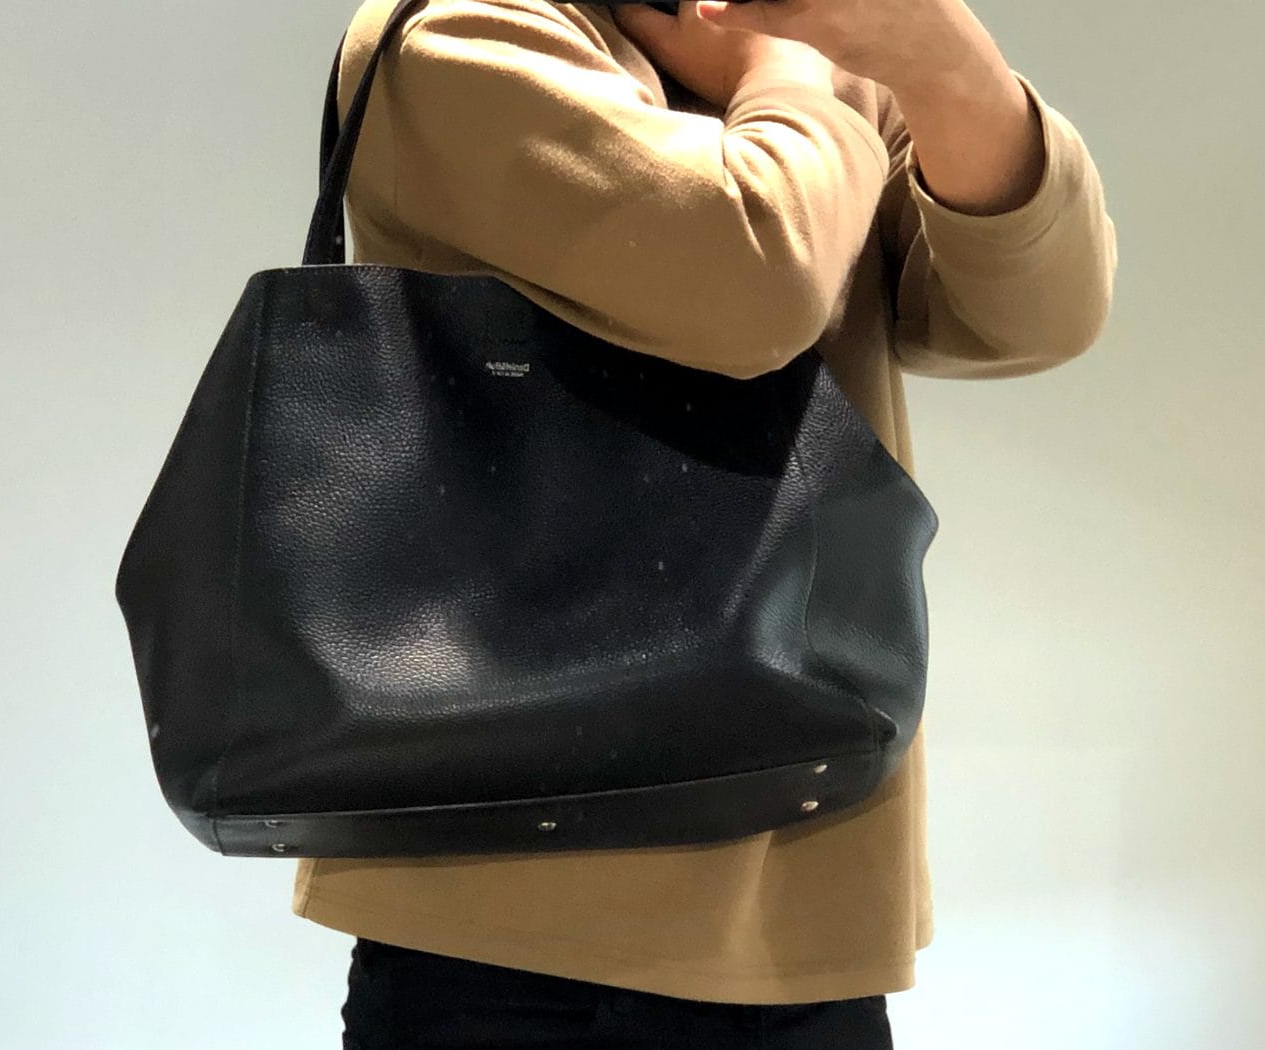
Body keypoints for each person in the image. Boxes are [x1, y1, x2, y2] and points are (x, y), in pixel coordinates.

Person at [291, 0, 1119, 1045]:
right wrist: (786, 70)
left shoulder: (816, 49)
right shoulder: (464, 35)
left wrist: (949, 65)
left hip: (803, 917)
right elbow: (750, 281)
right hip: (511, 934)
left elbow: (1034, 313)